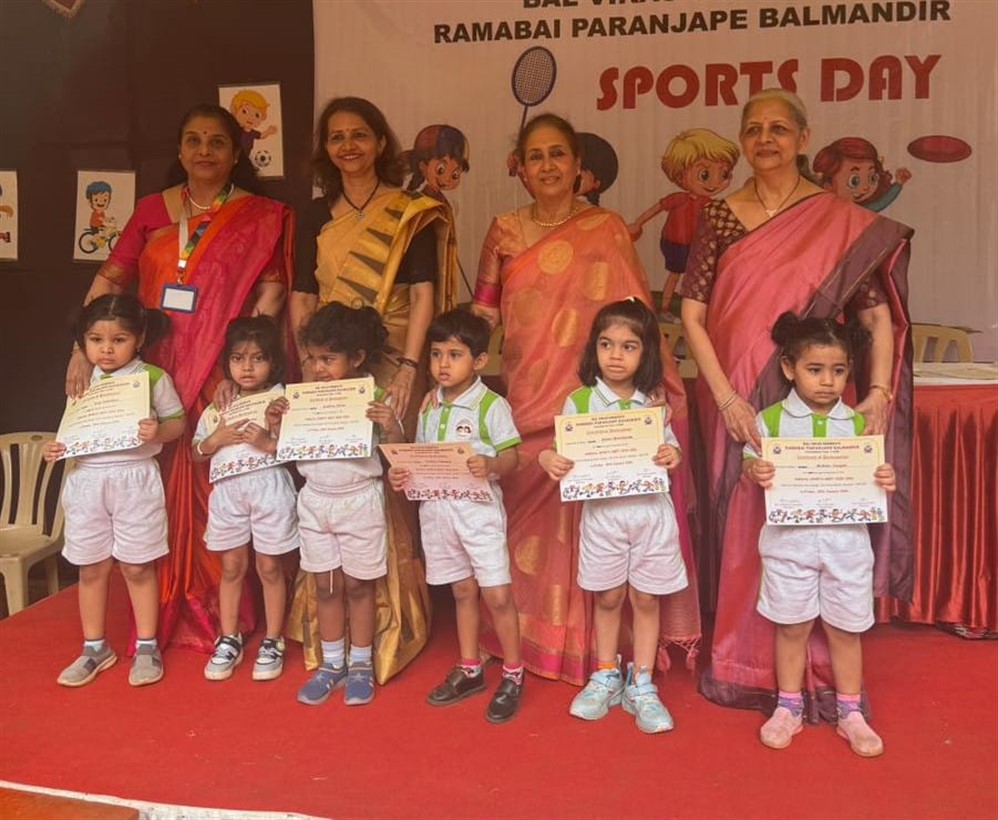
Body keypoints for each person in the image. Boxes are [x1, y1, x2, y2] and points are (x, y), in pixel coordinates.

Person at [679, 88, 913, 721]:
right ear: (742, 140)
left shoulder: (837, 218)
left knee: (815, 519)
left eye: (779, 128)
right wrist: (727, 397)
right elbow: (692, 314)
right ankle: (747, 664)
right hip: (733, 394)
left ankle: (825, 675)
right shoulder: (720, 215)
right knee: (744, 515)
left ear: (803, 138)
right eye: (754, 129)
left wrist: (879, 392)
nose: (766, 139)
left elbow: (875, 316)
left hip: (816, 397)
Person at [471, 112, 700, 685]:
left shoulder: (606, 227)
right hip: (528, 398)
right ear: (520, 168)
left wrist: (651, 389)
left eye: (558, 154)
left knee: (600, 513)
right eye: (536, 156)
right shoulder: (503, 231)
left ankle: (602, 651)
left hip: (598, 405)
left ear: (578, 166)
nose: (547, 165)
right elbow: (484, 313)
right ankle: (534, 638)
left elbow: (634, 316)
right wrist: (454, 374)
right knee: (526, 520)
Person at [65, 103, 293, 653]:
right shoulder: (151, 210)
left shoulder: (260, 214)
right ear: (179, 149)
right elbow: (109, 282)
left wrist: (244, 363)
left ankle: (223, 616)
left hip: (221, 372)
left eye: (217, 141)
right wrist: (79, 351)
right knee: (162, 485)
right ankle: (164, 610)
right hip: (157, 370)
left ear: (236, 152)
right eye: (193, 140)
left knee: (220, 483)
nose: (204, 151)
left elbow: (272, 291)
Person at [289, 96, 458, 682]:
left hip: (389, 358)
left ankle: (393, 625)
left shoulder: (409, 210)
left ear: (381, 142)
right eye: (336, 137)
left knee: (386, 481)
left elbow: (422, 293)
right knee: (333, 478)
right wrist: (308, 366)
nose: (348, 146)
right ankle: (333, 630)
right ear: (326, 148)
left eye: (359, 134)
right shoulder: (315, 214)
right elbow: (303, 293)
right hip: (330, 362)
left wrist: (410, 366)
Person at [743, 312, 896, 756]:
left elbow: (873, 474)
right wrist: (755, 468)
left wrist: (884, 477)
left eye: (839, 370)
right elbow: (748, 460)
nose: (828, 381)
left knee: (845, 629)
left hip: (847, 546)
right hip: (788, 545)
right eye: (815, 369)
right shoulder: (769, 420)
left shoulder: (859, 424)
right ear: (789, 368)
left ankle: (850, 712)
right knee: (792, 626)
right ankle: (788, 705)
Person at [538, 299, 687, 734]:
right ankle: (605, 674)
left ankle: (642, 683)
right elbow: (560, 451)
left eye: (628, 346)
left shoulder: (653, 404)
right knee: (607, 597)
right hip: (602, 519)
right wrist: (548, 458)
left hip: (651, 516)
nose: (615, 355)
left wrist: (672, 454)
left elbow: (672, 450)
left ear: (646, 353)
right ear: (594, 349)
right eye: (606, 344)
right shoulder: (580, 402)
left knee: (646, 599)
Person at [388, 309, 525, 724]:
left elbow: (513, 456)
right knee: (462, 591)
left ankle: (513, 674)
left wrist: (492, 464)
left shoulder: (491, 405)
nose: (442, 364)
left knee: (497, 595)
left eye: (454, 355)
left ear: (479, 361)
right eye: (435, 354)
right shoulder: (429, 406)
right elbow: (422, 457)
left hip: (478, 514)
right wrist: (402, 473)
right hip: (438, 512)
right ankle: (470, 669)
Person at [45, 295, 184, 688]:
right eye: (96, 340)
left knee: (138, 566)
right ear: (83, 342)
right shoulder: (82, 377)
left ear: (139, 339)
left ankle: (146, 646)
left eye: (118, 340)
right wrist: (55, 448)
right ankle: (95, 647)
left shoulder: (152, 377)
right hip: (87, 480)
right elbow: (72, 429)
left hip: (134, 479)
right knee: (91, 567)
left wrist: (158, 431)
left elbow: (177, 423)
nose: (106, 349)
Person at [270, 303, 404, 707]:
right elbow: (283, 447)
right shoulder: (303, 398)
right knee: (326, 586)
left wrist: (390, 424)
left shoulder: (374, 397)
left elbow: (396, 451)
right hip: (315, 501)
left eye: (328, 359)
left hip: (360, 500)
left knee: (359, 585)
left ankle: (360, 663)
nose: (318, 368)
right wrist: (277, 423)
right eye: (313, 358)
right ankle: (332, 664)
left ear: (357, 357)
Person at [192, 316, 299, 682]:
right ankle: (228, 637)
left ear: (273, 361)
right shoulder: (219, 405)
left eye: (258, 358)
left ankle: (273, 639)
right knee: (232, 567)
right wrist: (214, 440)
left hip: (269, 487)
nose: (247, 367)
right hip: (227, 493)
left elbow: (298, 449)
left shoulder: (283, 400)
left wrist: (269, 440)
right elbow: (195, 453)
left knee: (270, 566)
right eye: (238, 358)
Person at [627, 129, 739, 320]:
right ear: (679, 175)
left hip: (698, 245)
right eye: (705, 174)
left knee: (700, 278)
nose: (715, 182)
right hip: (675, 243)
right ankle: (665, 309)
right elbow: (656, 209)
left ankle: (698, 312)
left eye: (723, 173)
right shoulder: (678, 199)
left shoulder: (709, 204)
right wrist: (638, 223)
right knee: (675, 274)